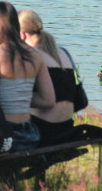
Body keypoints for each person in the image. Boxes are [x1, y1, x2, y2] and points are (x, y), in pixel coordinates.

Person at [0, 1, 54, 152]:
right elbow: (48, 100)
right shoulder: (36, 55)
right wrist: (18, 97)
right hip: (30, 135)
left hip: (6, 138)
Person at [19, 9, 83, 146]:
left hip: (43, 131)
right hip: (67, 127)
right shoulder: (64, 52)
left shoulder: (30, 56)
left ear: (22, 35)